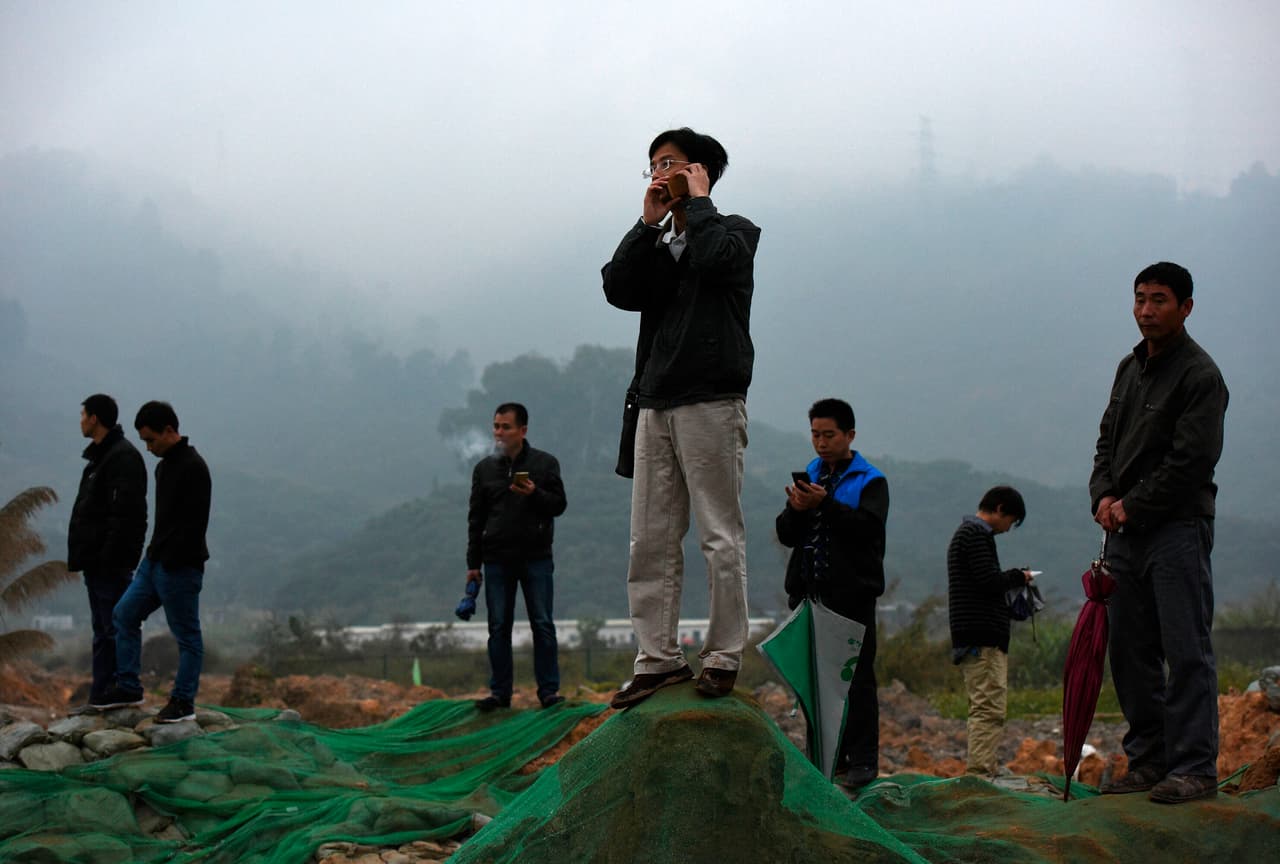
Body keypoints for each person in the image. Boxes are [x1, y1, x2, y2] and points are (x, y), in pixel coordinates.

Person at [602, 127, 761, 707]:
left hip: (711, 400)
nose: (656, 173)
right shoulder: (660, 246)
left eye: (668, 163)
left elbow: (718, 259)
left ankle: (722, 655)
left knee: (719, 535)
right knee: (650, 539)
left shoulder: (733, 231)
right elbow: (618, 288)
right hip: (653, 401)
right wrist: (647, 224)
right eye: (650, 166)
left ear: (700, 170)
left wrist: (699, 206)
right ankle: (658, 658)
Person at [1090, 261, 1228, 804]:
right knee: (1129, 650)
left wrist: (1132, 504)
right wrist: (1102, 496)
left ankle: (1194, 768)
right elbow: (1106, 441)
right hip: (1124, 533)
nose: (1147, 310)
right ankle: (1149, 760)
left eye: (1160, 300)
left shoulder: (1200, 375)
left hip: (1176, 529)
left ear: (1186, 307)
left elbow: (1191, 462)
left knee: (1185, 648)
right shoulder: (1129, 367)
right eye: (1140, 299)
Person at [776, 398, 888, 790]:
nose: (821, 443)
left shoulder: (870, 480)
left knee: (856, 679)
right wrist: (797, 508)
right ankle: (825, 757)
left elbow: (868, 530)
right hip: (810, 594)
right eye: (815, 435)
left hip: (852, 596)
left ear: (849, 435)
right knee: (817, 681)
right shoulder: (810, 474)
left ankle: (862, 761)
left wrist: (827, 505)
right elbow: (786, 533)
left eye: (829, 435)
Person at [92, 401, 212, 724]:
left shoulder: (193, 467)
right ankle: (129, 686)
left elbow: (195, 523)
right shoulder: (163, 467)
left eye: (151, 440)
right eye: (143, 441)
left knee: (187, 637)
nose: (148, 447)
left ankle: (183, 701)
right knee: (123, 614)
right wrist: (153, 555)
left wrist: (172, 557)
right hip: (153, 562)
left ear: (170, 431)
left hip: (180, 567)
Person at [466, 403, 568, 710]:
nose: (499, 432)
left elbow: (559, 505)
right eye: (496, 426)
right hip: (496, 559)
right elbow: (476, 518)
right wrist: (473, 564)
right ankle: (500, 693)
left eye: (505, 427)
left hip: (536, 557)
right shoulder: (484, 469)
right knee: (498, 627)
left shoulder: (545, 463)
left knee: (542, 624)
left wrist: (534, 494)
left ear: (522, 430)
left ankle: (548, 692)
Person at [67, 394, 148, 713]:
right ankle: (102, 693)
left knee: (115, 625)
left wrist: (110, 556)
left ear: (95, 418)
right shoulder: (101, 458)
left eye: (84, 414)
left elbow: (126, 516)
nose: (81, 420)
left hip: (109, 562)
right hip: (96, 561)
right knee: (103, 628)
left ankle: (121, 688)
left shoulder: (121, 458)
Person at [946, 485, 1033, 778]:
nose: (1009, 528)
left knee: (983, 704)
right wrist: (1018, 577)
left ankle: (984, 766)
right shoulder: (975, 535)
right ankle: (980, 773)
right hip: (982, 637)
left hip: (974, 634)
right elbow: (988, 581)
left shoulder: (969, 535)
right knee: (988, 707)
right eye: (1011, 520)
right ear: (999, 509)